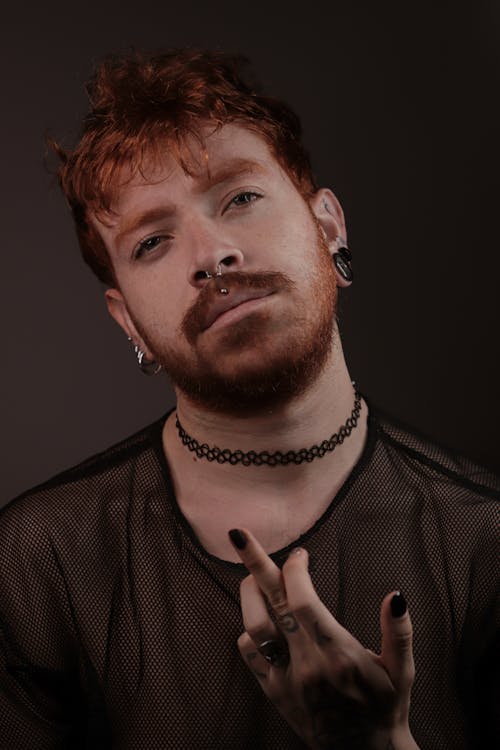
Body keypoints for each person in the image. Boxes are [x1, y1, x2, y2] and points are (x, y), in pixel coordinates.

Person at [0, 49, 498, 750]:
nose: (211, 254)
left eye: (239, 198)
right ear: (127, 319)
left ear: (328, 227)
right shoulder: (39, 560)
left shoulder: (485, 539)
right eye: (152, 243)